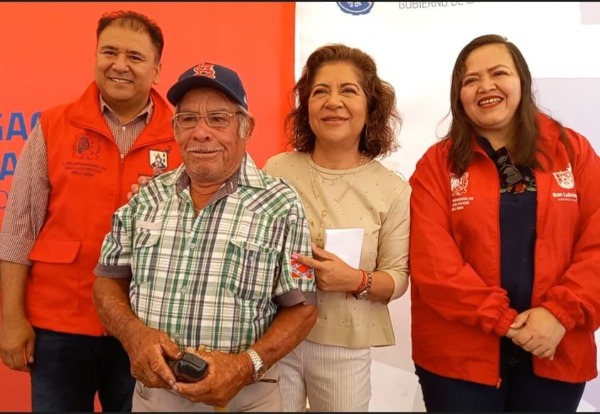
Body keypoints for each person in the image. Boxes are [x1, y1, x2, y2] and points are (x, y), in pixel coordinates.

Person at [92, 61, 318, 412]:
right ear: (175, 129)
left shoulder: (281, 204)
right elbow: (107, 281)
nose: (201, 133)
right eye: (188, 119)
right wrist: (133, 335)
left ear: (246, 127)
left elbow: (302, 308)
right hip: (154, 398)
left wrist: (244, 367)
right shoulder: (147, 198)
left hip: (245, 400)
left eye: (218, 119)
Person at [0, 10, 181, 412]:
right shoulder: (54, 125)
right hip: (58, 327)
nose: (119, 65)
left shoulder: (181, 133)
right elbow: (17, 230)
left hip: (145, 327)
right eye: (109, 52)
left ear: (156, 69)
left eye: (135, 56)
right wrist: (10, 318)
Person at [409, 33, 600, 412]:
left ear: (522, 81)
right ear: (459, 95)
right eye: (471, 80)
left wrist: (559, 314)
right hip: (458, 359)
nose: (486, 86)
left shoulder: (572, 150)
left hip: (555, 346)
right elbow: (433, 263)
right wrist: (504, 321)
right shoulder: (437, 164)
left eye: (499, 73)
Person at [263, 43, 411, 412]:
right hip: (273, 337)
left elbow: (398, 277)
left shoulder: (393, 189)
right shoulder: (276, 171)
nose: (333, 102)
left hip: (345, 345)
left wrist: (356, 280)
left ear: (370, 107)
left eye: (348, 90)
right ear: (306, 107)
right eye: (320, 92)